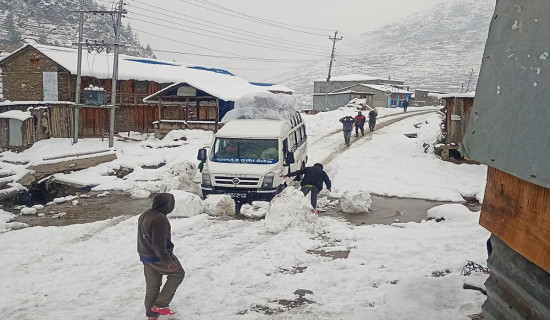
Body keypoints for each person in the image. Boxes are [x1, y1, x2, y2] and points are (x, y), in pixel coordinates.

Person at [138, 193, 185, 320]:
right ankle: (160, 305)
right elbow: (159, 246)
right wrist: (169, 261)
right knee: (178, 274)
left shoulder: (145, 214)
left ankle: (151, 315)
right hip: (159, 257)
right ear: (167, 205)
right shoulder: (160, 219)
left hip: (146, 256)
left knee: (152, 287)